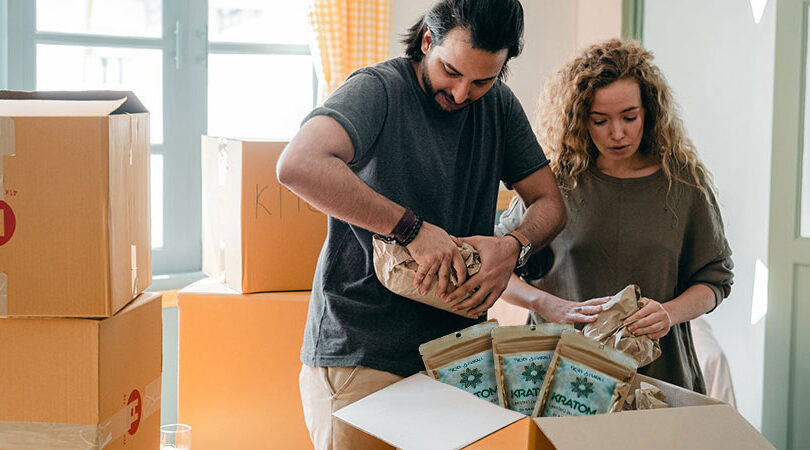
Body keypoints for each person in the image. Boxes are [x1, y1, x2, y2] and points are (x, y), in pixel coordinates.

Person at [276, 0, 566, 447]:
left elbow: (549, 203)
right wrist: (411, 229)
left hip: (454, 359)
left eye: (482, 80)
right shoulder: (378, 89)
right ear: (428, 40)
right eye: (451, 71)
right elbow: (298, 164)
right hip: (361, 355)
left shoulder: (500, 107)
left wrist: (513, 246)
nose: (461, 93)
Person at [496, 39, 734, 392]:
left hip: (658, 374)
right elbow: (496, 268)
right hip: (560, 373)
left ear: (649, 112)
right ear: (580, 120)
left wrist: (669, 313)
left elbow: (715, 280)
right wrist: (551, 305)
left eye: (629, 117)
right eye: (600, 120)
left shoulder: (684, 184)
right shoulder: (555, 184)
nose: (618, 133)